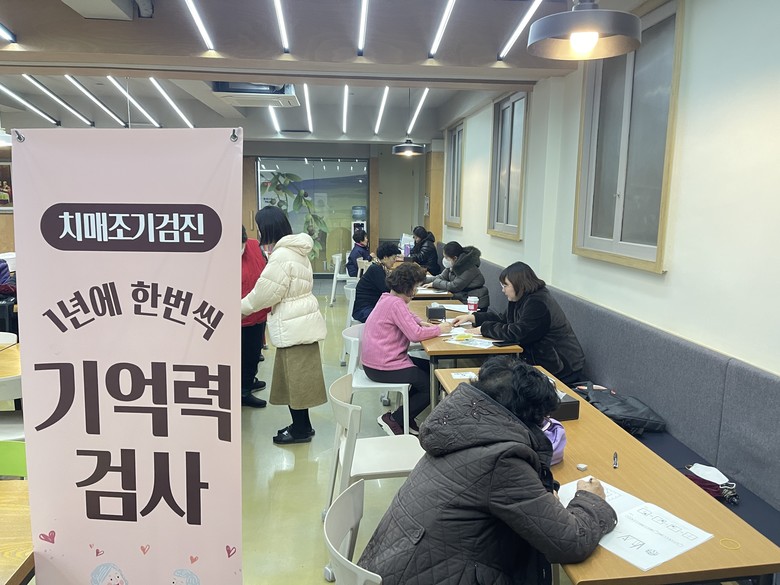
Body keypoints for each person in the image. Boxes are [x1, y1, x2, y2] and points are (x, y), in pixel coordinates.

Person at [358, 356, 616, 585]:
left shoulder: (458, 430)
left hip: (392, 565)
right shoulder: (501, 460)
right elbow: (570, 542)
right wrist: (590, 499)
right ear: (528, 416)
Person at [241, 206, 328, 444]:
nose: (258, 233)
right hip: (301, 321)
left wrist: (238, 308)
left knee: (296, 382)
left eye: (259, 228)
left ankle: (300, 430)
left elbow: (264, 294)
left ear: (268, 228)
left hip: (293, 325)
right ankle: (303, 425)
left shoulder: (281, 256)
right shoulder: (297, 250)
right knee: (297, 381)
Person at [453, 262, 585, 384]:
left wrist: (484, 329)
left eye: (505, 286)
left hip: (560, 365)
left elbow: (519, 332)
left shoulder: (538, 302)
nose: (503, 290)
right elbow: (504, 319)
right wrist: (473, 318)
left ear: (518, 284)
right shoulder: (520, 297)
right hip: (536, 358)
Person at [361, 262, 451, 435]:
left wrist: (421, 322)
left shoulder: (387, 298)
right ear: (407, 286)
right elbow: (415, 335)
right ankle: (394, 419)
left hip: (378, 362)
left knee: (430, 371)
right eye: (415, 287)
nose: (415, 292)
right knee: (430, 385)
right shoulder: (396, 304)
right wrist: (440, 329)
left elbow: (408, 315)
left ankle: (406, 417)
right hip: (383, 366)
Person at [240, 225, 270, 408]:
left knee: (254, 353)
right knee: (243, 355)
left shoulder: (253, 245)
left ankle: (249, 380)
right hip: (239, 319)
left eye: (242, 243)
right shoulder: (220, 254)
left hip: (258, 312)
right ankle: (243, 392)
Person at [422, 241, 490, 309]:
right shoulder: (453, 264)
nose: (444, 260)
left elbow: (454, 286)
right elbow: (441, 277)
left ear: (455, 258)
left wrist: (435, 283)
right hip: (462, 298)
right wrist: (421, 280)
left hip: (474, 303)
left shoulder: (469, 268)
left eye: (446, 257)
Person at [352, 241, 401, 323]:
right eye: (394, 258)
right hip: (364, 310)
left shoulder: (380, 267)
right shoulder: (376, 269)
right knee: (393, 318)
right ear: (385, 257)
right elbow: (387, 290)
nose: (395, 260)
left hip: (372, 306)